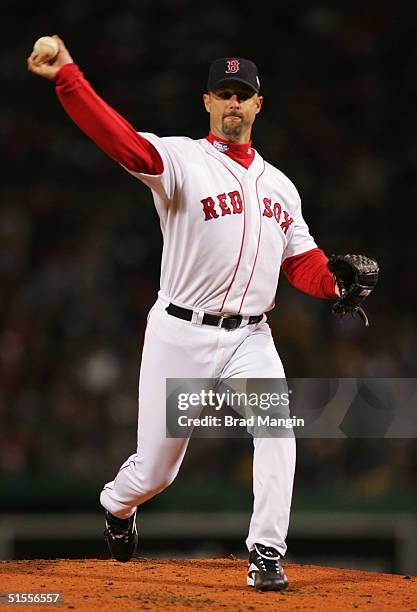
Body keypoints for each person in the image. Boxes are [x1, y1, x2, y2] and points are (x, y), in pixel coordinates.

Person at [28, 36, 358, 592]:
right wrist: (69, 78)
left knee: (278, 434)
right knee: (157, 471)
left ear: (258, 105)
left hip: (252, 336)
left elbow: (302, 261)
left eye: (243, 95)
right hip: (179, 332)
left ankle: (267, 553)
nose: (233, 103)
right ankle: (117, 505)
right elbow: (124, 144)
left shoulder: (281, 186)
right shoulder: (182, 159)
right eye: (224, 93)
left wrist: (335, 283)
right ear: (206, 101)